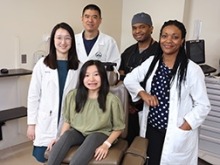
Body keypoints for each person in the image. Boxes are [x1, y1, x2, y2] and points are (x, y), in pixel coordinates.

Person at [124, 20, 211, 165]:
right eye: (164, 36)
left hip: (175, 131)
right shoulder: (153, 62)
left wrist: (185, 126)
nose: (168, 40)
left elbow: (203, 105)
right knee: (150, 161)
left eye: (175, 37)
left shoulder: (192, 70)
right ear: (160, 38)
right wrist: (143, 94)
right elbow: (129, 79)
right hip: (151, 129)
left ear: (182, 40)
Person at [47, 60, 125, 165]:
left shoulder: (112, 100)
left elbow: (119, 128)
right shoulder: (72, 96)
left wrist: (106, 145)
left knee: (92, 138)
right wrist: (59, 140)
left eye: (96, 75)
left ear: (103, 76)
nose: (91, 79)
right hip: (78, 133)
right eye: (87, 75)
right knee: (67, 135)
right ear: (82, 78)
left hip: (100, 134)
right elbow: (67, 121)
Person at [26, 22, 81, 164]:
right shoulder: (42, 64)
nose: (63, 42)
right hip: (45, 120)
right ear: (53, 41)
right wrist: (31, 124)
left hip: (68, 121)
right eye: (59, 38)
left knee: (64, 155)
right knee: (44, 156)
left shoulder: (78, 66)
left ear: (72, 42)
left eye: (67, 38)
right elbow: (33, 95)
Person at [119, 12, 159, 145]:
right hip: (128, 108)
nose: (138, 31)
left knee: (148, 144)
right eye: (134, 28)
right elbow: (121, 78)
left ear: (151, 28)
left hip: (151, 107)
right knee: (129, 143)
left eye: (142, 27)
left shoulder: (160, 51)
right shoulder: (128, 52)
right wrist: (129, 103)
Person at [75, 4, 121, 69]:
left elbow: (114, 67)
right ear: (82, 19)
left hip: (100, 79)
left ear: (100, 20)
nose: (90, 20)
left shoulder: (109, 42)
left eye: (94, 17)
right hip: (76, 79)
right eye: (87, 16)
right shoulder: (73, 40)